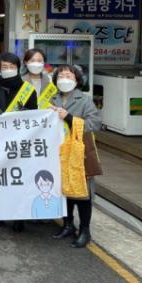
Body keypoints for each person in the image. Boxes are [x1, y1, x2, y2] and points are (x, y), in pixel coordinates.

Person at [50, 65, 102, 249]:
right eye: (61, 76)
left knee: (83, 193)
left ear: (77, 80)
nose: (64, 79)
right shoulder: (52, 99)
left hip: (80, 153)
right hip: (59, 152)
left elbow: (95, 123)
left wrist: (69, 117)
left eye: (69, 76)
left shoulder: (84, 99)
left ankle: (85, 231)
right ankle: (68, 224)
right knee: (65, 190)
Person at [0, 52, 38, 232]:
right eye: (4, 67)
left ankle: (18, 216)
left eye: (12, 67)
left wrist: (23, 113)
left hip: (20, 141)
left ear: (18, 68)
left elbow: (34, 114)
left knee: (18, 179)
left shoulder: (27, 89)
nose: (8, 70)